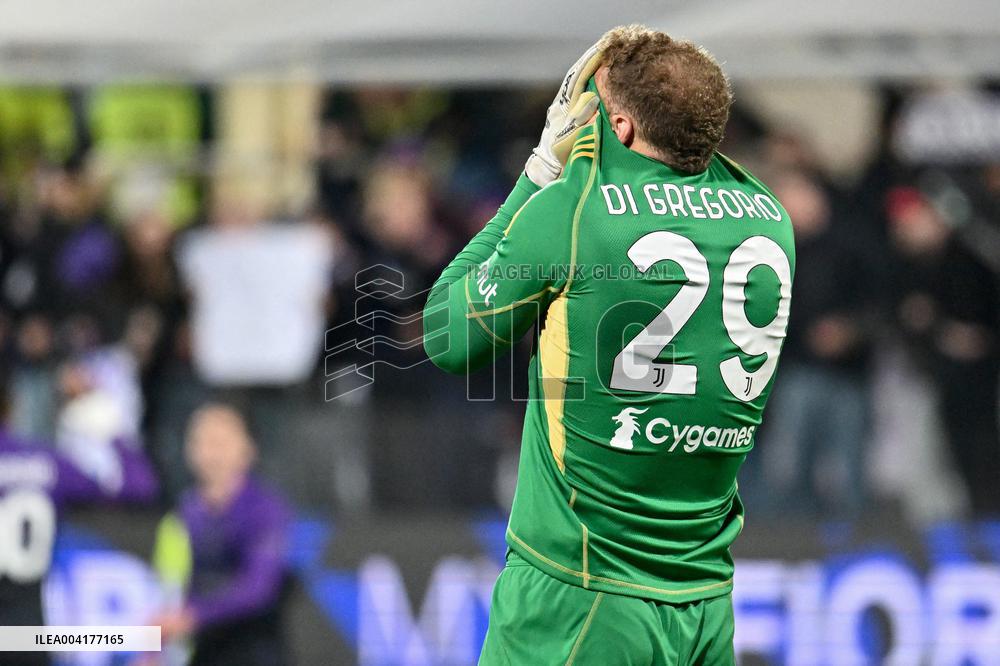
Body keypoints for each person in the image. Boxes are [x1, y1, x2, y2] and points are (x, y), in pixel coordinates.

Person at [423, 26, 794, 664]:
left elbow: (445, 335)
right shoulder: (770, 216)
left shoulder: (575, 212)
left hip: (579, 590)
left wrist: (543, 166)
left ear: (619, 126)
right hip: (703, 600)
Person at [0, 380, 157, 666]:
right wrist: (113, 432)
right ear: (12, 407)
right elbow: (140, 486)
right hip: (28, 635)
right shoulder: (43, 461)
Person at [151, 404, 292, 666]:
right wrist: (155, 653)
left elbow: (259, 588)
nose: (210, 453)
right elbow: (177, 590)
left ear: (247, 450)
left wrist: (193, 616)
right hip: (204, 652)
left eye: (220, 442)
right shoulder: (185, 512)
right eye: (201, 441)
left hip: (253, 652)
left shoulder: (265, 509)